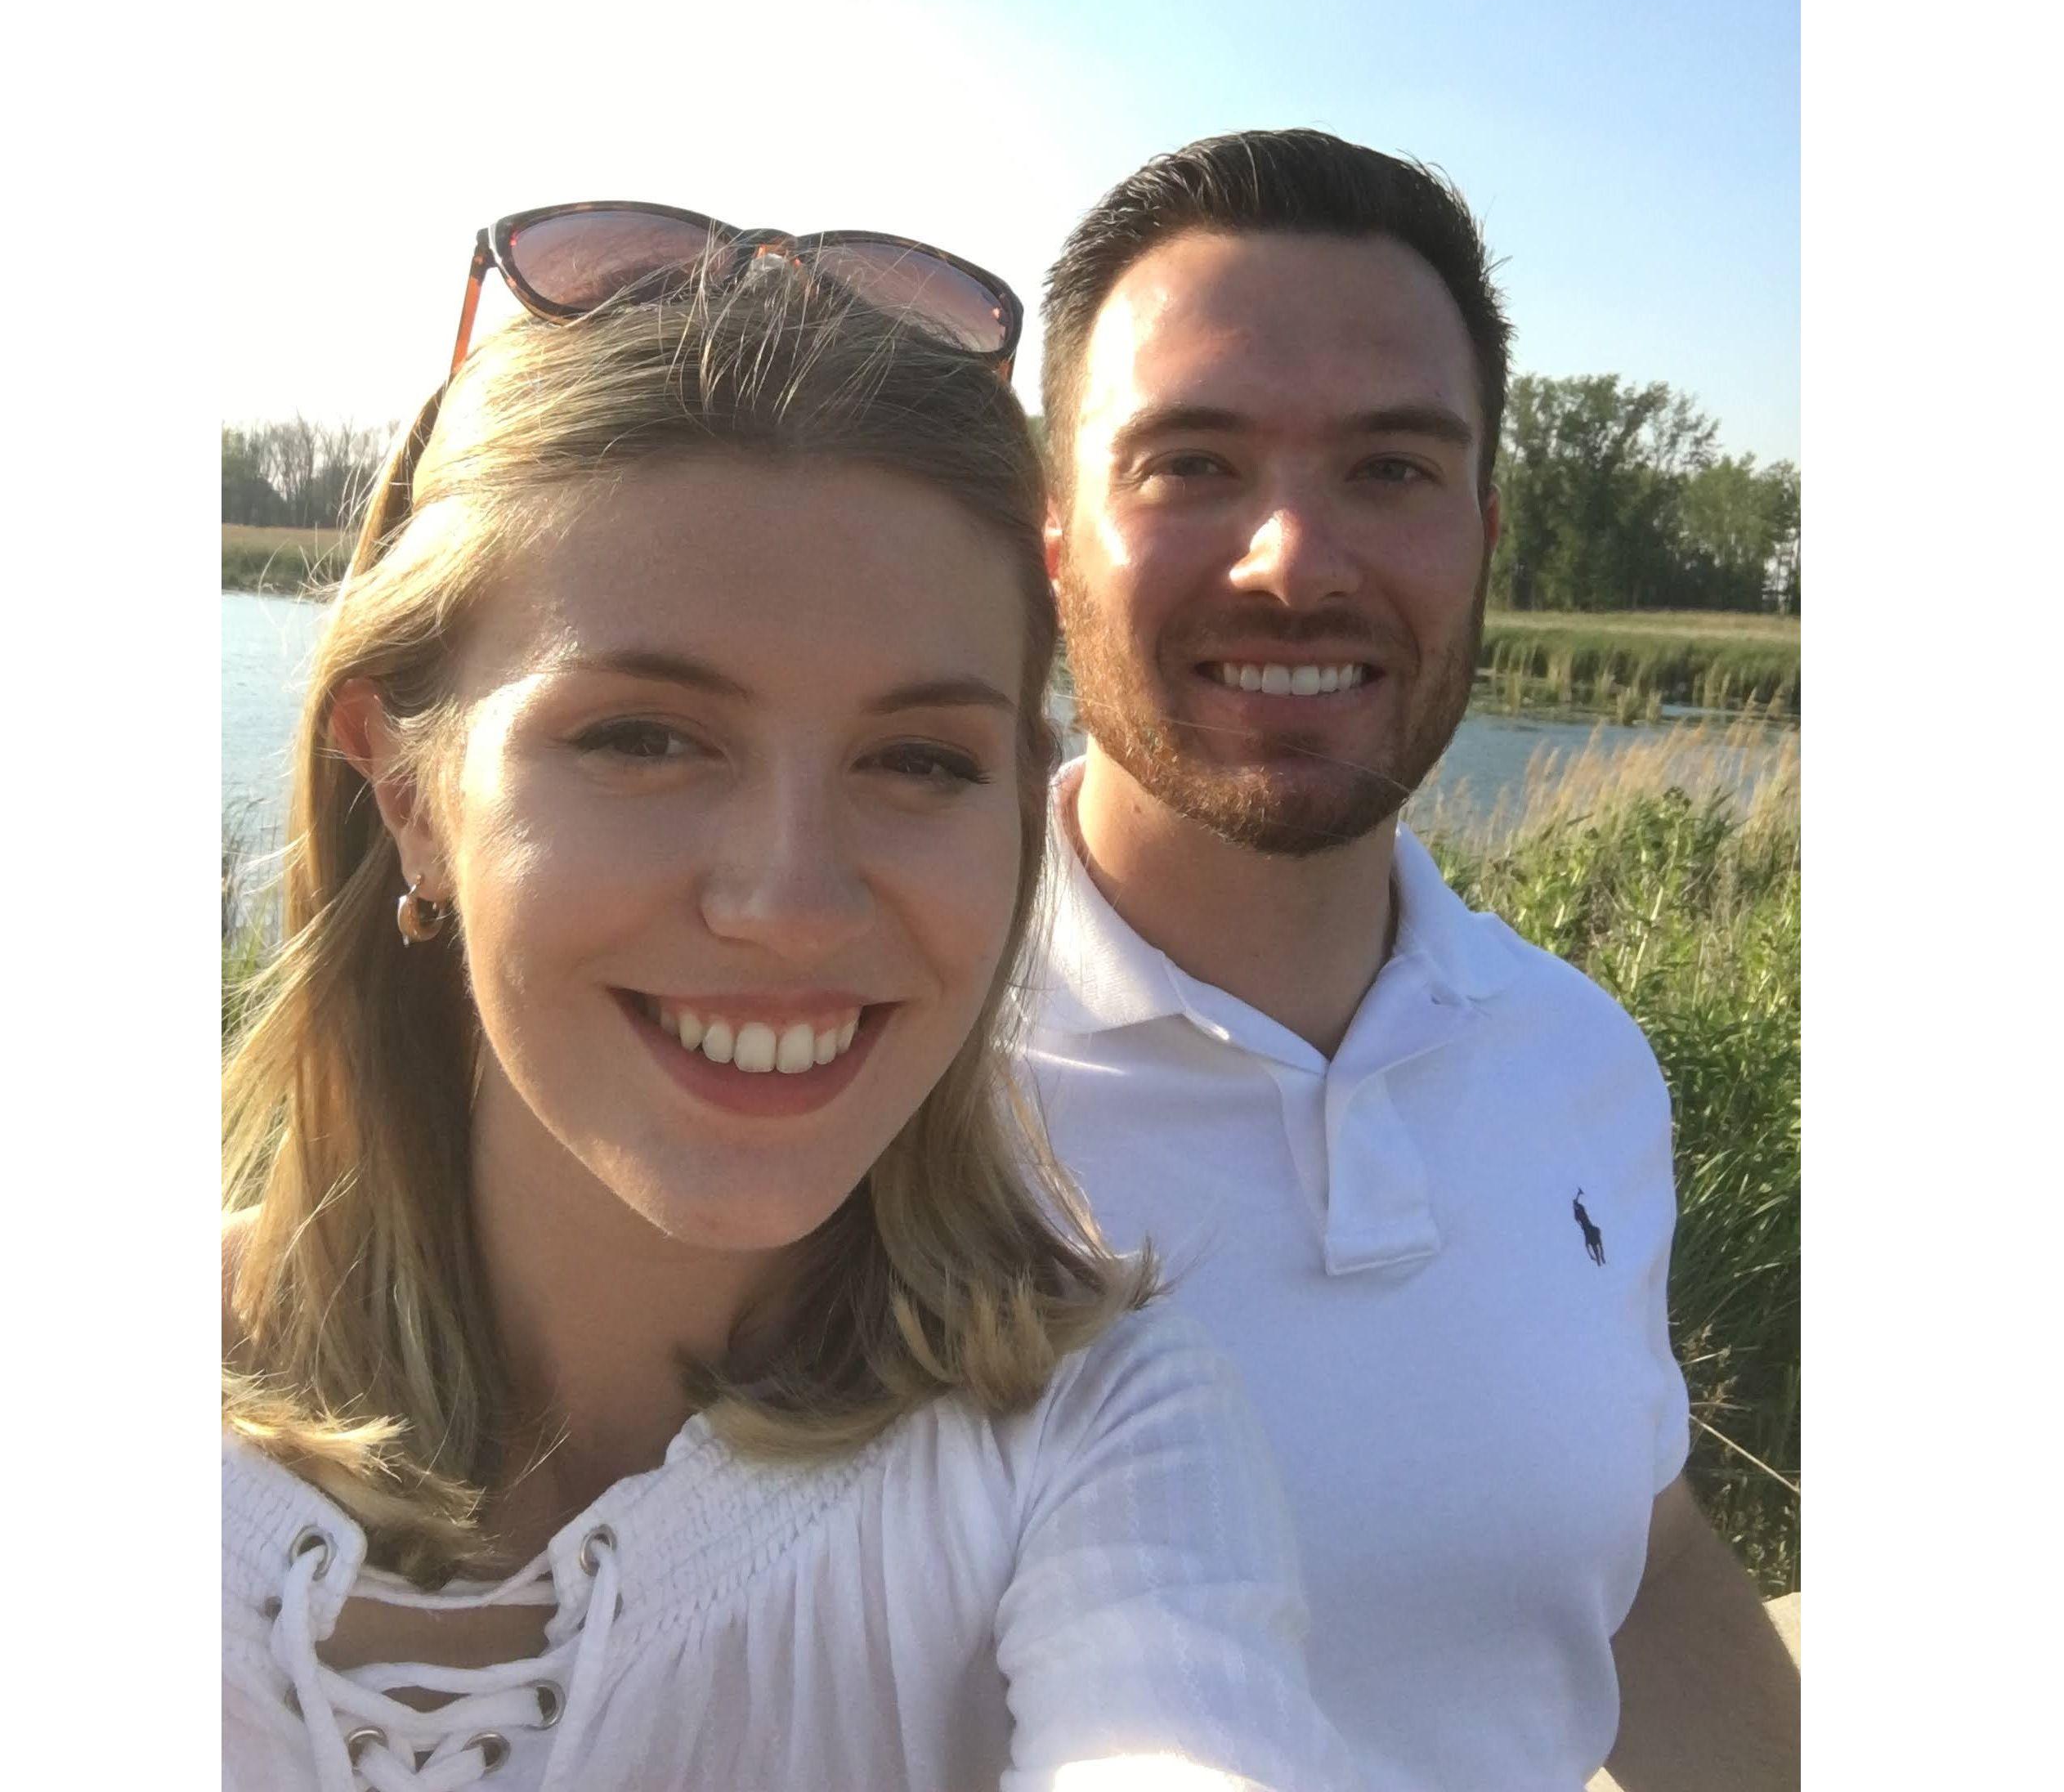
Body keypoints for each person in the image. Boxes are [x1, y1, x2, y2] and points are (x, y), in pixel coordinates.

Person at [221, 210, 1362, 1792]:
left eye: (919, 761)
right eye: (644, 738)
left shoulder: (1096, 1439)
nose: (793, 901)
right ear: (406, 785)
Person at [1022, 131, 1802, 1792]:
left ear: (1482, 536)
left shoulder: (1576, 1057)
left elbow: (1643, 1568)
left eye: (1389, 469)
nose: (1294, 560)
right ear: (1053, 542)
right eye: (1189, 464)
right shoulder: (856, 1065)